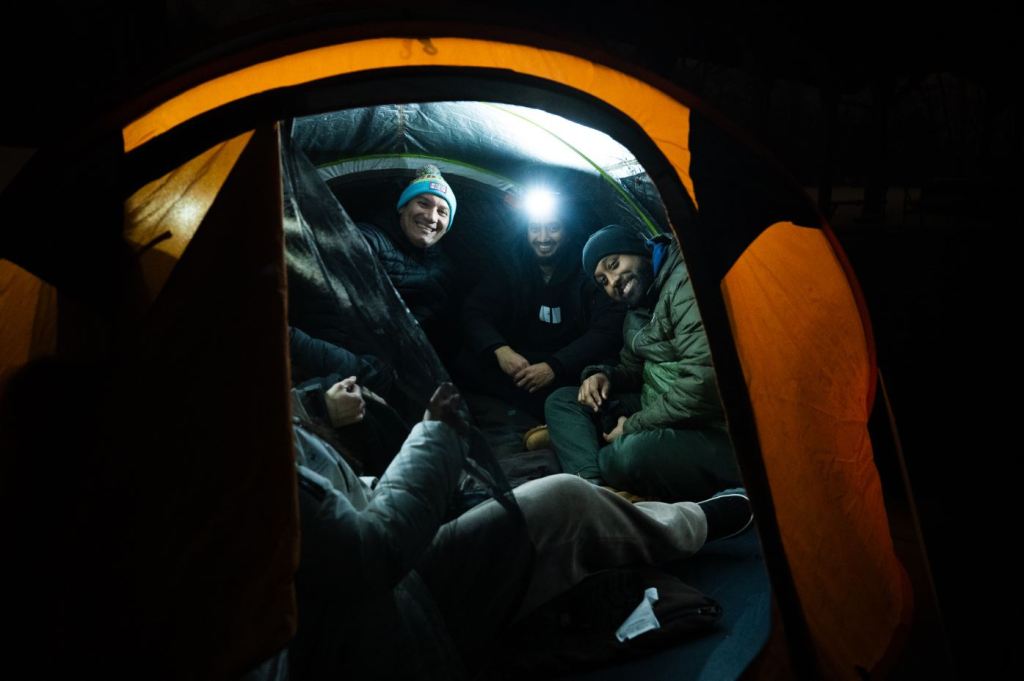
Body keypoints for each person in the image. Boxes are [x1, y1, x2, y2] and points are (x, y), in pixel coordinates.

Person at [289, 381, 751, 680]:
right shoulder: (252, 456)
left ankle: (647, 515)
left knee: (551, 487)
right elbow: (366, 557)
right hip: (388, 630)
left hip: (400, 591)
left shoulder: (272, 408)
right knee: (568, 484)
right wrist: (434, 438)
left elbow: (337, 500)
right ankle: (687, 520)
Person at [544, 224, 742, 501]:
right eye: (602, 281)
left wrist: (633, 426)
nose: (612, 282)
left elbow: (704, 386)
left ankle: (585, 454)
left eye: (614, 265)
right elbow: (633, 369)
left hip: (714, 428)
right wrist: (603, 376)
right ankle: (596, 489)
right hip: (659, 406)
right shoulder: (637, 309)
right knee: (562, 401)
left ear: (638, 249)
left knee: (624, 455)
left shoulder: (686, 282)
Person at [459, 214, 624, 419]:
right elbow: (475, 311)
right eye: (535, 228)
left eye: (553, 228)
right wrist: (501, 350)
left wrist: (555, 366)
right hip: (520, 361)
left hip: (568, 365)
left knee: (590, 386)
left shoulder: (587, 268)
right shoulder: (512, 262)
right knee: (466, 361)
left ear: (567, 233)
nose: (543, 238)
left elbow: (607, 329)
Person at [356, 164, 457, 351]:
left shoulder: (444, 268)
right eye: (423, 204)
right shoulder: (367, 240)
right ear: (403, 207)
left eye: (442, 212)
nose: (431, 217)